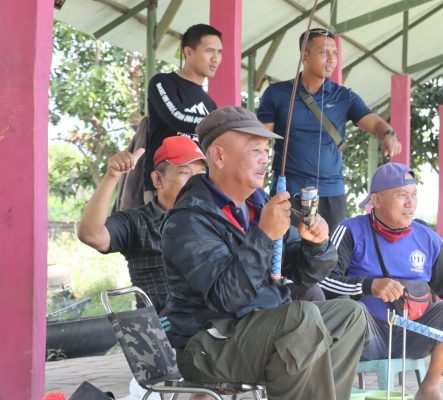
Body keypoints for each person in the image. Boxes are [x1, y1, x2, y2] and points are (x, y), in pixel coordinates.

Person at [160, 106, 367, 399]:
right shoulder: (188, 219)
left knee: (350, 314)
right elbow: (226, 297)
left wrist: (315, 244)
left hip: (260, 327)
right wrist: (265, 235)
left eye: (266, 150)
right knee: (300, 318)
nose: (264, 159)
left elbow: (305, 273)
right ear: (219, 156)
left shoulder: (258, 204)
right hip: (209, 345)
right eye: (254, 149)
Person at [320, 163, 443, 400]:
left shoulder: (428, 238)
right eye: (401, 196)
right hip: (367, 336)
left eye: (414, 195)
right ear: (376, 200)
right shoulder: (349, 230)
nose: (410, 203)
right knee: (351, 310)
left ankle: (429, 388)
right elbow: (323, 280)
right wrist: (369, 285)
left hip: (415, 332)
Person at [256, 28, 401, 227]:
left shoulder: (344, 96)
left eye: (335, 53)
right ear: (305, 56)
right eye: (324, 52)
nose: (332, 59)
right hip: (289, 192)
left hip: (332, 194)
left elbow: (375, 123)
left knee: (330, 255)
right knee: (287, 255)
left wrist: (388, 134)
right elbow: (259, 141)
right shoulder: (276, 94)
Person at [77, 136, 207, 313]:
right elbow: (90, 235)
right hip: (159, 331)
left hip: (211, 328)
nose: (195, 182)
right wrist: (112, 176)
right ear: (157, 180)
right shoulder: (135, 222)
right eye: (185, 173)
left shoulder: (213, 219)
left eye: (201, 174)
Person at [143, 24, 221, 201]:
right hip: (164, 184)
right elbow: (176, 117)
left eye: (220, 52)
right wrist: (221, 124)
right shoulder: (162, 82)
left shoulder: (210, 104)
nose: (216, 58)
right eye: (209, 51)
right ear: (189, 51)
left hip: (199, 188)